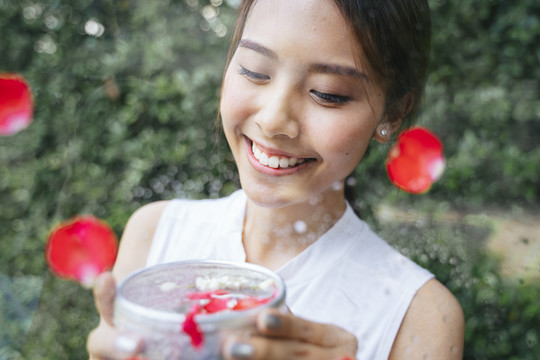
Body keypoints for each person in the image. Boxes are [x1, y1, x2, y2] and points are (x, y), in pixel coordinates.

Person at [87, 0, 465, 359]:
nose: (273, 120)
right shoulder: (155, 234)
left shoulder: (418, 316)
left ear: (393, 114)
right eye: (254, 71)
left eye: (327, 94)